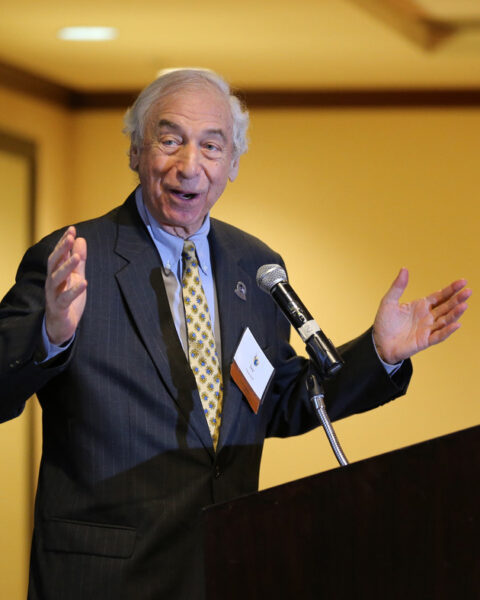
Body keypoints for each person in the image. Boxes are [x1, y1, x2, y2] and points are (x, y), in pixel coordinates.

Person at [0, 69, 470, 600]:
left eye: (211, 146)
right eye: (170, 140)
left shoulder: (257, 265)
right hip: (106, 579)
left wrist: (378, 354)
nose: (188, 166)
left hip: (230, 562)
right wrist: (49, 334)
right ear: (136, 151)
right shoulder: (73, 256)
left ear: (232, 165)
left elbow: (275, 401)